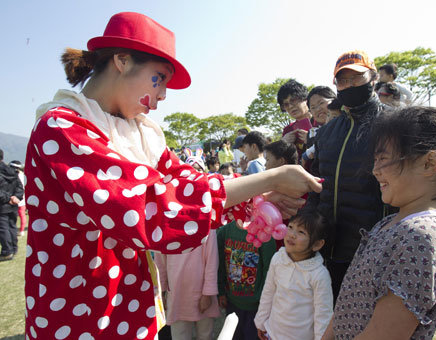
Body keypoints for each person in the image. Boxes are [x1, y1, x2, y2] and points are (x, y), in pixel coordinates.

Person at [23, 12, 322, 339]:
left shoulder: (137, 135)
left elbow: (184, 183)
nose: (163, 95)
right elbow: (150, 204)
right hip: (78, 314)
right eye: (159, 78)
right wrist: (269, 179)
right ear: (122, 61)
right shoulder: (61, 130)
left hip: (127, 304)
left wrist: (256, 196)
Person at [322, 106, 436, 340]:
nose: (374, 171)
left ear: (429, 162)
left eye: (383, 159)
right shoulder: (390, 222)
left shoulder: (423, 236)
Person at [305, 50, 389, 300]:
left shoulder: (393, 124)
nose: (349, 85)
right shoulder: (327, 132)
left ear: (373, 78)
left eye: (356, 78)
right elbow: (316, 184)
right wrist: (308, 225)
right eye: (342, 81)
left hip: (374, 251)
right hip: (328, 247)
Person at [254, 210, 333, 340]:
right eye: (290, 227)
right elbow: (268, 291)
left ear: (317, 244)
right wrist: (261, 322)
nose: (292, 235)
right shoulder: (278, 258)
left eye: (301, 232)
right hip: (273, 333)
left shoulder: (319, 275)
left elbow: (323, 314)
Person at [154, 229, 220, 340]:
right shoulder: (164, 222)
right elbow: (160, 261)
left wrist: (208, 293)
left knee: (205, 335)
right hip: (177, 294)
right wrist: (162, 291)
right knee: (179, 334)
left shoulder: (206, 222)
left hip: (202, 292)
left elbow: (212, 260)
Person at [217, 218, 276, 340]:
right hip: (232, 302)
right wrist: (221, 291)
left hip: (256, 307)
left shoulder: (264, 235)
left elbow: (270, 271)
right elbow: (218, 264)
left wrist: (263, 300)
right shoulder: (225, 231)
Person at [278, 80, 313, 160]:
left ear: (305, 99)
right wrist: (283, 144)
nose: (290, 106)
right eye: (286, 104)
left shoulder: (321, 121)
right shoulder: (288, 130)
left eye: (293, 101)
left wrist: (313, 140)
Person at [302, 86, 336, 169]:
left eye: (321, 103)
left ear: (334, 100)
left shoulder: (348, 122)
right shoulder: (312, 133)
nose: (318, 109)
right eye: (313, 108)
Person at [0, 149, 24, 261]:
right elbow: (20, 187)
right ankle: (14, 248)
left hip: (2, 205)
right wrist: (16, 197)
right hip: (13, 204)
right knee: (12, 227)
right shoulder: (11, 170)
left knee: (3, 229)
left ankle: (6, 251)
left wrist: (7, 198)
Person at [9, 160, 27, 237]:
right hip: (22, 198)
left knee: (12, 216)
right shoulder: (23, 175)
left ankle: (12, 230)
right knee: (22, 215)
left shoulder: (10, 175)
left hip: (12, 199)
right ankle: (22, 230)